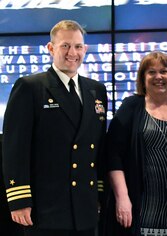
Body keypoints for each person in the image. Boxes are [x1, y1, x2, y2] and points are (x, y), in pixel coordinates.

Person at [2, 20, 107, 235]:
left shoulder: (96, 90)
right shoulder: (30, 87)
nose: (72, 53)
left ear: (85, 49)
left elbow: (99, 148)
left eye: (78, 46)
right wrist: (19, 198)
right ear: (50, 49)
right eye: (65, 46)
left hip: (85, 207)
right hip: (46, 208)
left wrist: (98, 193)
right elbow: (15, 148)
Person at [100, 51, 167, 236]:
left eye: (164, 71)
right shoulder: (131, 107)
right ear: (142, 78)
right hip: (138, 213)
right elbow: (113, 155)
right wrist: (122, 197)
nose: (158, 77)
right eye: (151, 72)